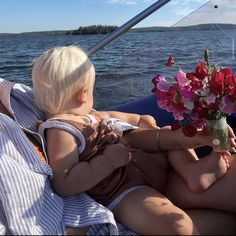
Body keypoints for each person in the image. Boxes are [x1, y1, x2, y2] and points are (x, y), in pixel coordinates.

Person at [31, 45, 236, 235]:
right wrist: (107, 162)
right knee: (177, 226)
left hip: (146, 167)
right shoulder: (61, 130)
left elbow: (123, 117)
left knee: (165, 131)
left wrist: (141, 120)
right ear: (84, 94)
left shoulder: (92, 114)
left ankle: (193, 171)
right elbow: (64, 182)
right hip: (124, 192)